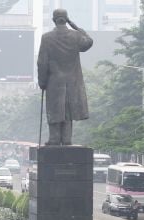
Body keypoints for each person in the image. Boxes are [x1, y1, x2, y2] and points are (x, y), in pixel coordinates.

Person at [37, 9, 93, 146]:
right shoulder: (75, 36)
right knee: (68, 110)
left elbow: (42, 62)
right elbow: (89, 42)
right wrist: (77, 28)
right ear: (66, 19)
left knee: (54, 109)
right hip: (72, 81)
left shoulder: (47, 38)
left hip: (54, 81)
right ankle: (67, 139)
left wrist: (42, 82)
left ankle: (54, 139)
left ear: (53, 20)